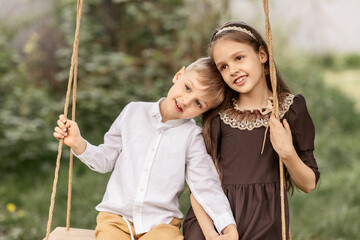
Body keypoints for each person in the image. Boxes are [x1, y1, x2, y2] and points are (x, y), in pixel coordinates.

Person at [53, 57, 238, 240]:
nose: (186, 100)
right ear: (179, 75)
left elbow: (206, 185)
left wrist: (228, 227)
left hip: (161, 224)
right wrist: (78, 142)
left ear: (203, 112)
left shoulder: (192, 137)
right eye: (188, 87)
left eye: (198, 103)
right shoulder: (133, 112)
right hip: (116, 218)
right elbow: (105, 160)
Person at [183, 21, 320, 240]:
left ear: (262, 55)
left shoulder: (290, 110)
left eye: (239, 58)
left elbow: (309, 184)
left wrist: (287, 153)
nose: (233, 70)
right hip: (217, 227)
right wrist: (210, 234)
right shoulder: (219, 118)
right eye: (223, 66)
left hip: (266, 225)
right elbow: (199, 185)